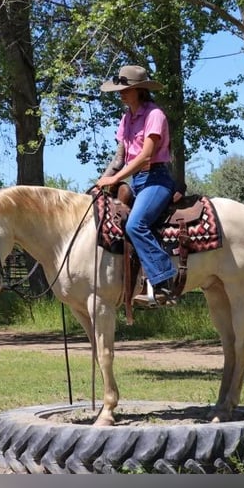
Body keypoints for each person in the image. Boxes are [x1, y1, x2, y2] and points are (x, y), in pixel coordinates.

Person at [96, 65, 178, 307]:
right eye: (120, 89)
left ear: (140, 90)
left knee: (136, 223)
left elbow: (145, 156)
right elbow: (119, 157)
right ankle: (129, 284)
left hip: (157, 179)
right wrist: (100, 181)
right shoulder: (126, 118)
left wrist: (114, 178)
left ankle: (164, 282)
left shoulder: (155, 115)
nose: (121, 93)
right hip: (137, 181)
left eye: (126, 89)